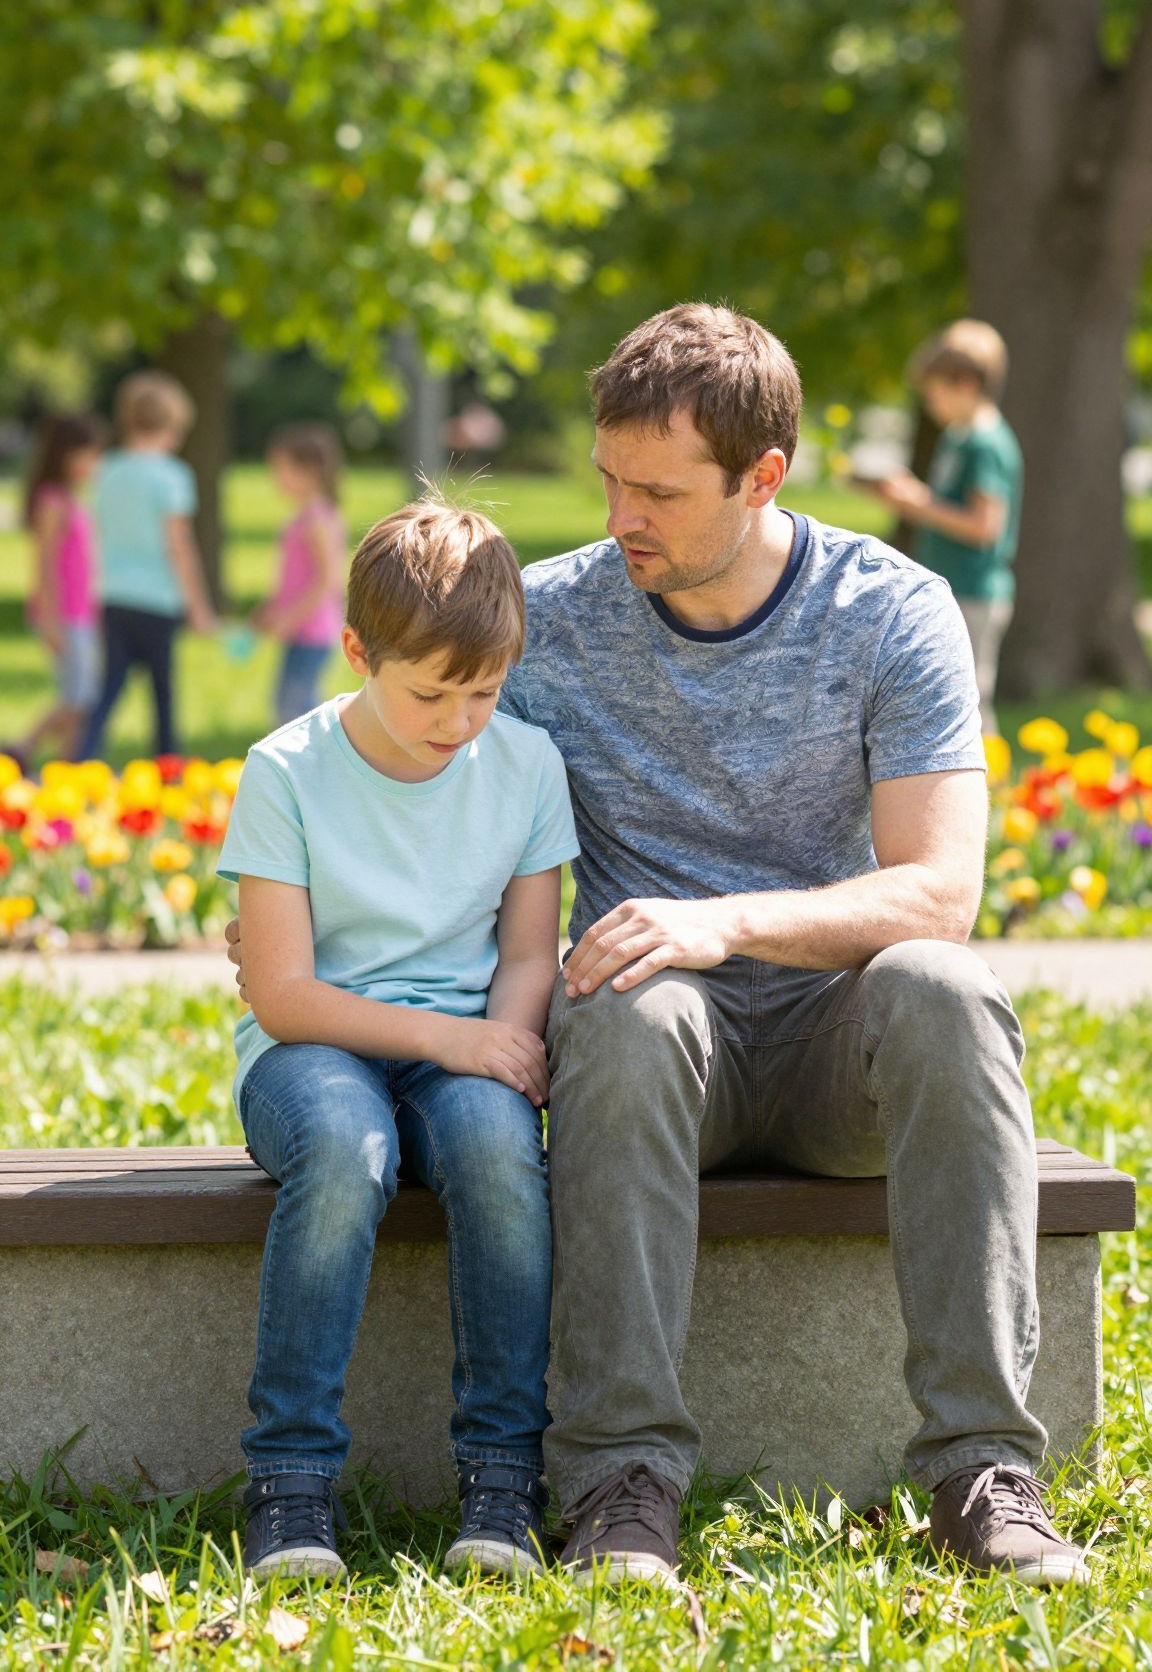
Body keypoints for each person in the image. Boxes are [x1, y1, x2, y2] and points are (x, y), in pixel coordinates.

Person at [229, 304, 1088, 1590]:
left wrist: (721, 919)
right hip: (653, 1054)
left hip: (826, 1044)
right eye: (610, 477)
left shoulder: (890, 608)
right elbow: (395, 716)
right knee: (629, 1003)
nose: (621, 514)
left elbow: (939, 892)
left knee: (945, 986)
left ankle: (979, 1468)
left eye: (660, 491)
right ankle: (622, 1480)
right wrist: (280, 885)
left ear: (763, 479)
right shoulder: (552, 623)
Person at [217, 499, 578, 1581]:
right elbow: (283, 992)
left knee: (498, 1152)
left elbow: (526, 955)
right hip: (310, 1054)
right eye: (431, 690)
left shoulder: (527, 765)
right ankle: (289, 1482)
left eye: (486, 689)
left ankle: (503, 1479)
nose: (460, 718)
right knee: (345, 1148)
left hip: (463, 1046)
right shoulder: (286, 769)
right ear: (359, 651)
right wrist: (456, 1041)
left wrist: (502, 1051)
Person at [875, 320, 1023, 735]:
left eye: (935, 391)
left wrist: (918, 503)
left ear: (967, 383)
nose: (929, 403)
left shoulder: (986, 444)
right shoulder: (958, 437)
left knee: (970, 700)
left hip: (975, 592)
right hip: (953, 586)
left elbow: (984, 526)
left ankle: (995, 794)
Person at [79, 371, 216, 761]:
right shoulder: (173, 476)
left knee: (109, 686)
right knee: (162, 690)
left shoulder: (105, 470)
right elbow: (180, 547)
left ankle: (81, 756)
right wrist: (199, 606)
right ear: (173, 426)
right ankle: (167, 764)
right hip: (158, 599)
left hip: (113, 594)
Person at [15, 413, 107, 768]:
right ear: (67, 454)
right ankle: (23, 748)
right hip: (62, 614)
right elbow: (46, 565)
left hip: (80, 613)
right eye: (90, 454)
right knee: (79, 698)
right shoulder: (52, 500)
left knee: (82, 698)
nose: (94, 464)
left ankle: (67, 765)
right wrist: (52, 620)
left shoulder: (72, 499)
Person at [251, 422, 347, 726]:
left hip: (313, 631)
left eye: (282, 468)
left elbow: (326, 580)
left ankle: (313, 765)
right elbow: (298, 578)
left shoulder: (317, 518)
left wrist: (289, 619)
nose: (276, 477)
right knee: (290, 702)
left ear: (310, 470)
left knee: (297, 707)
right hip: (301, 630)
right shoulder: (308, 514)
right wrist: (272, 610)